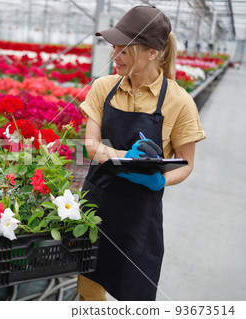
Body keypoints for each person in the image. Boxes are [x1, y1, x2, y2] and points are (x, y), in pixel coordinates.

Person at [78, 6, 206, 301]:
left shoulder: (179, 102)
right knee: (89, 291)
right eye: (114, 49)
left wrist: (161, 181)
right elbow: (92, 146)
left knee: (136, 294)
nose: (114, 57)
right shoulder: (103, 87)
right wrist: (128, 156)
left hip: (139, 218)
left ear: (152, 53)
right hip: (95, 209)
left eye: (124, 52)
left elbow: (186, 164)